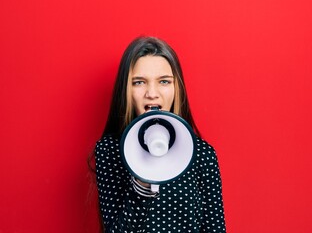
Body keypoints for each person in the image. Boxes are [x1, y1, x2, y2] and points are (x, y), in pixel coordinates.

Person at [94, 36, 226, 232]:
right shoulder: (109, 151)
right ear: (126, 90)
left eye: (164, 81)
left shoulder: (202, 155)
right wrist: (142, 183)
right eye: (139, 82)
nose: (152, 93)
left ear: (176, 87)